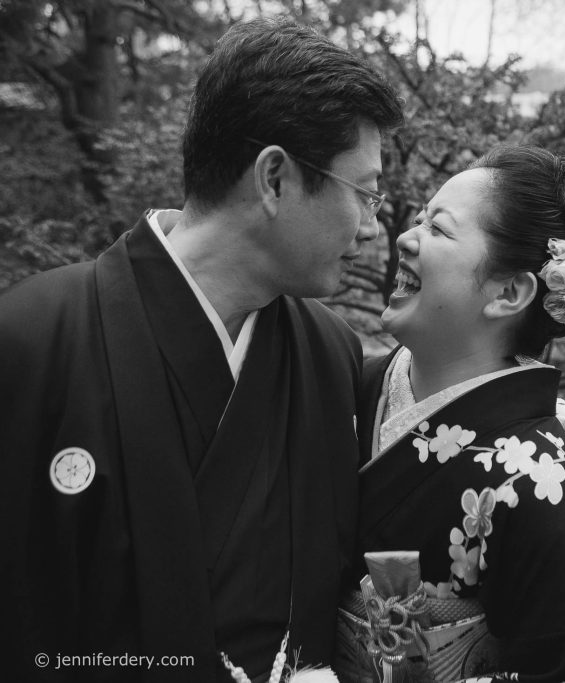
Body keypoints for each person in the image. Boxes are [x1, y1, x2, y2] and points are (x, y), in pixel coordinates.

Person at [0, 18, 403, 683]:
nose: (369, 224)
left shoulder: (330, 354)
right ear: (275, 178)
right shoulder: (31, 341)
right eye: (364, 192)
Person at [335, 146, 565, 682]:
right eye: (418, 219)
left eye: (437, 230)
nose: (404, 237)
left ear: (509, 292)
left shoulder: (551, 493)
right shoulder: (346, 389)